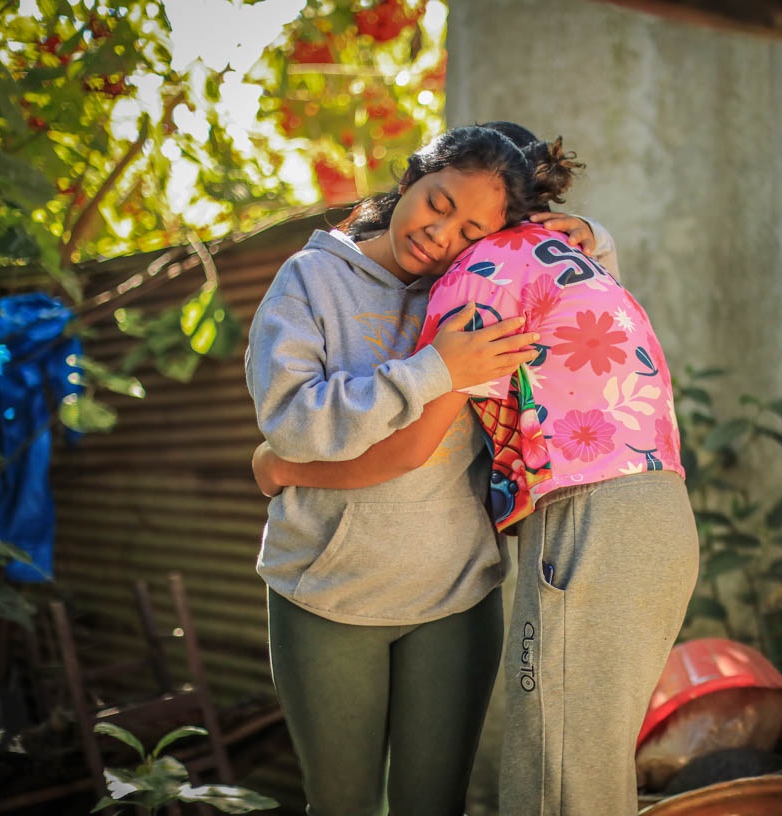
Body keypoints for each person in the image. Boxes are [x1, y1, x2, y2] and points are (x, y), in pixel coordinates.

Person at [254, 124, 699, 816]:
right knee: (342, 805)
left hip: (457, 594)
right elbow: (293, 420)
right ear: (410, 178)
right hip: (328, 589)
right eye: (437, 204)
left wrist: (593, 235)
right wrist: (434, 370)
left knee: (437, 805)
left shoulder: (481, 282)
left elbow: (573, 305)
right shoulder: (311, 281)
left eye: (470, 230)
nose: (441, 235)